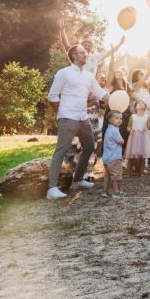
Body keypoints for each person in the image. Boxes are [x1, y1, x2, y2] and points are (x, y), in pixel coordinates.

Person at [46, 44, 110, 199]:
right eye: (82, 52)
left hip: (83, 118)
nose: (86, 54)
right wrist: (61, 114)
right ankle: (52, 189)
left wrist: (114, 98)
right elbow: (52, 96)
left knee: (89, 147)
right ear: (74, 55)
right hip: (68, 118)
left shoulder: (88, 75)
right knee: (60, 151)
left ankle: (79, 178)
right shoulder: (64, 73)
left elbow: (100, 93)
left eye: (86, 52)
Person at [58, 19, 125, 76]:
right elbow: (66, 44)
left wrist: (120, 44)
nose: (87, 46)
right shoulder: (76, 53)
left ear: (92, 48)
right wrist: (62, 30)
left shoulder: (96, 56)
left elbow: (109, 52)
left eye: (89, 45)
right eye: (85, 45)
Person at [100, 110, 125, 198]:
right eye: (117, 118)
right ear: (110, 120)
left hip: (106, 158)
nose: (119, 120)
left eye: (121, 118)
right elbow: (121, 141)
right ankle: (116, 192)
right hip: (114, 158)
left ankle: (104, 191)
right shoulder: (114, 130)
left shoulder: (108, 129)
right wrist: (123, 140)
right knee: (115, 176)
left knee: (107, 176)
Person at [125, 99, 150, 176]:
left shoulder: (147, 116)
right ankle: (128, 172)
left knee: (142, 155)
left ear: (145, 107)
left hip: (143, 137)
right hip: (134, 137)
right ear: (135, 107)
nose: (140, 104)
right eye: (139, 103)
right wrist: (130, 130)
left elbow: (149, 126)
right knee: (131, 155)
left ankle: (141, 171)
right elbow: (128, 126)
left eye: (142, 103)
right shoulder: (132, 116)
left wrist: (149, 126)